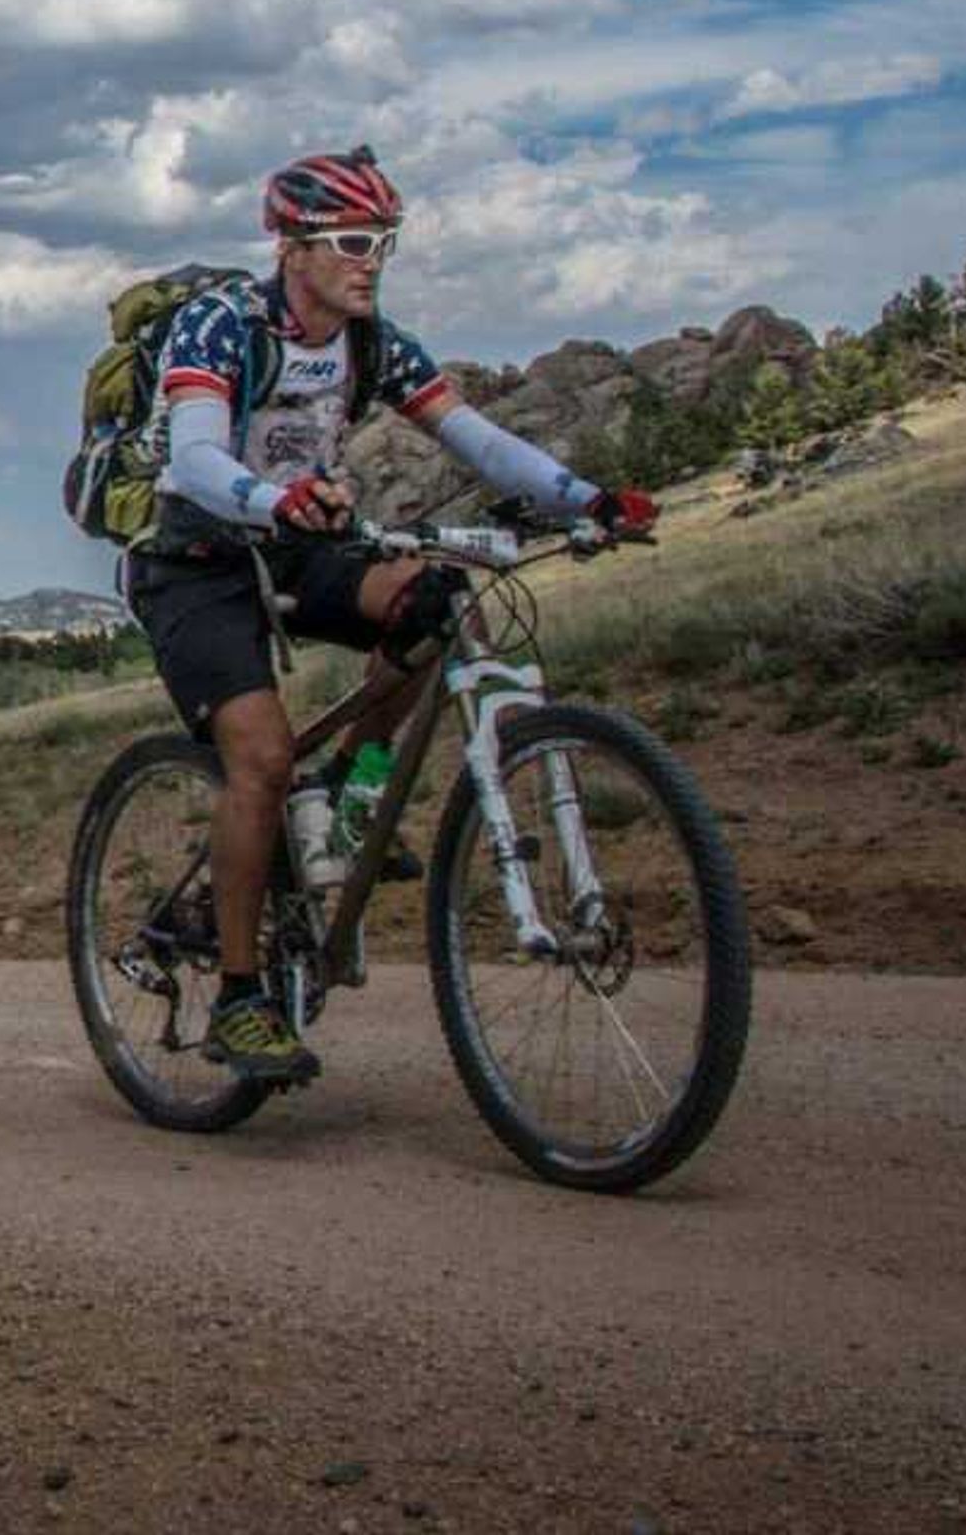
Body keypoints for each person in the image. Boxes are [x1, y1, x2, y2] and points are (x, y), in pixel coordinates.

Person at [120, 146, 657, 1088]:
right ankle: (242, 998)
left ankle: (356, 789)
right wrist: (269, 497)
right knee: (260, 759)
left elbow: (474, 436)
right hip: (195, 558)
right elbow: (199, 454)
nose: (373, 261)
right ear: (293, 246)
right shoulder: (220, 326)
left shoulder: (373, 341)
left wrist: (589, 498)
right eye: (354, 242)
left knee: (436, 603)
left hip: (298, 541)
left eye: (385, 244)